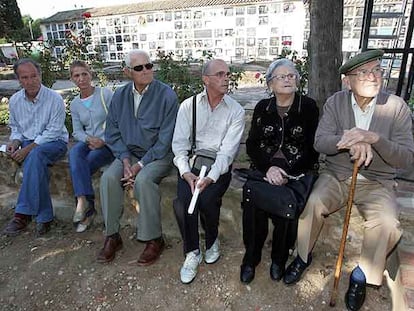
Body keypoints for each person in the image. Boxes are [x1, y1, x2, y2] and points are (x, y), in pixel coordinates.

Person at [283, 49, 414, 310]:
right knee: (314, 203)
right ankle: (302, 255)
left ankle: (362, 275)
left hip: (379, 181)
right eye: (363, 72)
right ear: (348, 80)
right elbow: (321, 142)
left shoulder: (396, 107)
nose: (373, 77)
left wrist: (374, 139)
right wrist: (349, 140)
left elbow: (406, 157)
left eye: (377, 70)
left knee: (387, 222)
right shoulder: (336, 102)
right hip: (338, 174)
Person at [239, 59, 319, 284]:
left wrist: (286, 171)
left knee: (287, 205)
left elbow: (313, 147)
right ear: (270, 84)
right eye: (281, 76)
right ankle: (251, 257)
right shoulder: (262, 107)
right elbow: (252, 145)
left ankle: (279, 259)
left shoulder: (308, 106)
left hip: (297, 171)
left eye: (291, 75)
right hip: (265, 170)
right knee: (252, 201)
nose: (287, 79)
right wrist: (269, 168)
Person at [97, 50, 178, 264]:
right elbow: (112, 133)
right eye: (139, 68)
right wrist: (125, 161)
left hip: (159, 155)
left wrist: (139, 166)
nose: (146, 71)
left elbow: (165, 140)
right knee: (107, 179)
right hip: (129, 153)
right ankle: (112, 235)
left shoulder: (166, 95)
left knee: (143, 180)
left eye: (149, 66)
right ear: (127, 72)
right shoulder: (120, 96)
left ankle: (154, 238)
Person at [172, 59, 245, 284]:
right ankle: (192, 252)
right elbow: (179, 145)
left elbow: (227, 153)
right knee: (183, 203)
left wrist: (211, 177)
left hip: (218, 167)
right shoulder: (188, 106)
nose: (226, 78)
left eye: (228, 74)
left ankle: (212, 240)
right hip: (192, 164)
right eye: (220, 74)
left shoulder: (236, 110)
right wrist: (186, 173)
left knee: (207, 199)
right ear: (206, 79)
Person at [2, 58, 68, 236]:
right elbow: (15, 128)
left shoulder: (54, 98)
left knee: (35, 155)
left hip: (54, 143)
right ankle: (45, 217)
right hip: (29, 144)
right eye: (25, 77)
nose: (30, 81)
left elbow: (53, 132)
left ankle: (22, 214)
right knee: (38, 164)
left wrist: (26, 149)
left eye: (34, 76)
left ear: (40, 75)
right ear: (19, 80)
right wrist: (15, 142)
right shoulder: (15, 100)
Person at [68, 60, 114, 233]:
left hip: (108, 144)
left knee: (82, 166)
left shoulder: (105, 94)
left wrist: (102, 140)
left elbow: (116, 122)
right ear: (72, 79)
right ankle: (82, 200)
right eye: (76, 75)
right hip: (88, 142)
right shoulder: (75, 104)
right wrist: (89, 139)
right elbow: (77, 131)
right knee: (74, 153)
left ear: (90, 74)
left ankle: (88, 210)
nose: (81, 79)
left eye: (84, 74)